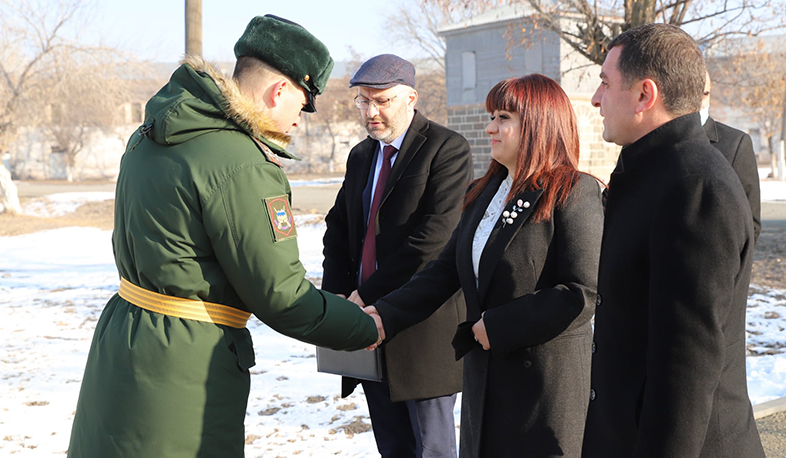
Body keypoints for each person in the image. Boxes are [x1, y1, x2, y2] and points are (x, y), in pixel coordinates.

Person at [67, 15, 383, 458]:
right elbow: (283, 298)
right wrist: (362, 325)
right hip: (185, 367)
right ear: (280, 92)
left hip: (123, 342)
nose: (298, 121)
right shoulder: (244, 164)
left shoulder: (151, 134)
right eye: (303, 105)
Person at [365, 74, 604, 458]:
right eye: (492, 116)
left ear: (539, 124)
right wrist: (384, 314)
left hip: (544, 387)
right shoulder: (485, 191)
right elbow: (444, 272)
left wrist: (499, 325)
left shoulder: (575, 192)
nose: (490, 127)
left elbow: (582, 292)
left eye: (503, 117)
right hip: (485, 380)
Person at [582, 23, 765, 457]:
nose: (594, 98)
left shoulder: (696, 187)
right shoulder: (653, 171)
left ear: (645, 95)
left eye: (605, 83)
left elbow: (685, 368)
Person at [321, 54, 472, 458]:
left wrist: (367, 295)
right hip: (366, 328)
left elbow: (432, 240)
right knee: (392, 446)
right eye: (362, 101)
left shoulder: (447, 149)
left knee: (432, 449)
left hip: (421, 330)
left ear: (411, 98)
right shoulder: (361, 155)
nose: (370, 112)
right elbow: (339, 229)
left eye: (382, 101)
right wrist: (337, 294)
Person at [701, 70, 762, 243]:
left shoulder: (736, 144)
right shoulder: (652, 141)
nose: (700, 102)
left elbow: (751, 223)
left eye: (705, 94)